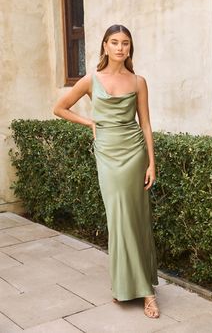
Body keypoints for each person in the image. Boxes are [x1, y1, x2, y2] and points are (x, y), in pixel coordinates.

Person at [53, 24, 160, 319]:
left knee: (135, 218)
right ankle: (128, 285)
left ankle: (144, 291)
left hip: (134, 151)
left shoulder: (138, 81)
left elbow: (146, 123)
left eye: (125, 43)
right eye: (114, 42)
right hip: (108, 155)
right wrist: (90, 123)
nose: (120, 48)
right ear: (104, 46)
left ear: (129, 48)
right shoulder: (91, 79)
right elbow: (59, 108)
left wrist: (151, 162)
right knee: (118, 217)